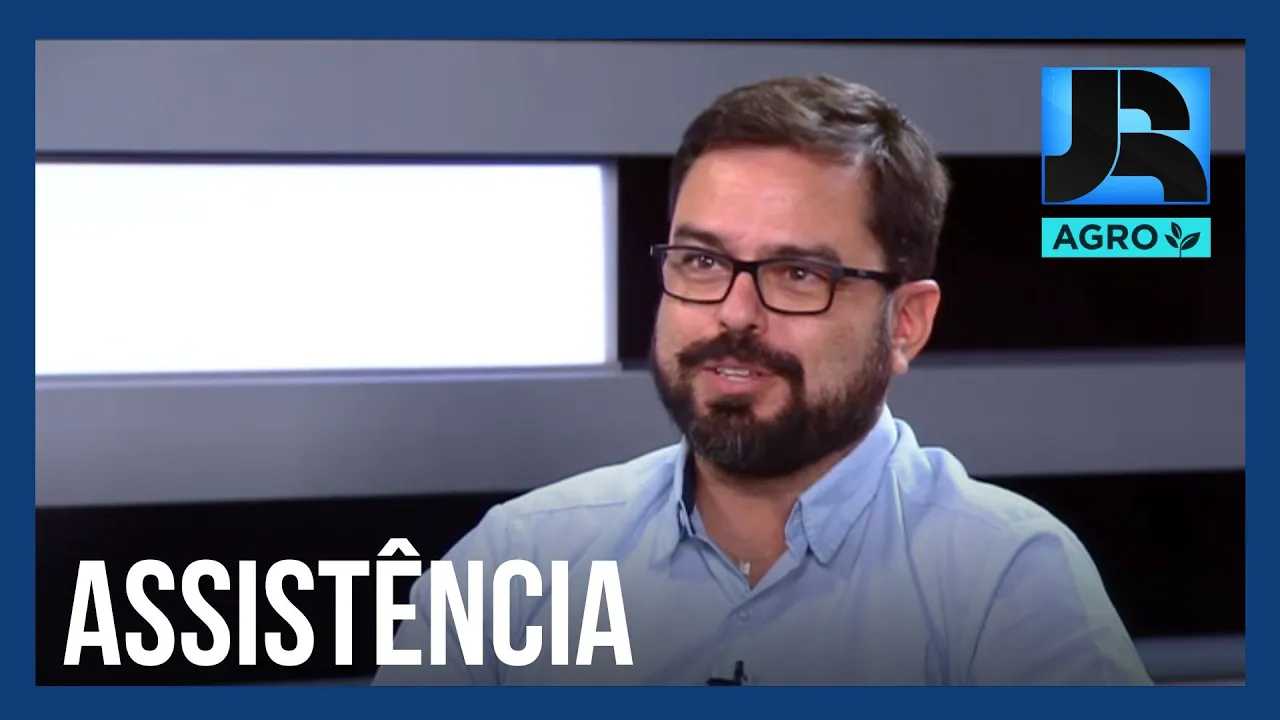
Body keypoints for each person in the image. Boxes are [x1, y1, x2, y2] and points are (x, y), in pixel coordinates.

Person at [373, 75, 1152, 686]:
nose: (734, 313)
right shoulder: (519, 564)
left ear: (906, 323)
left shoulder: (1009, 581)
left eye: (798, 273)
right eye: (701, 261)